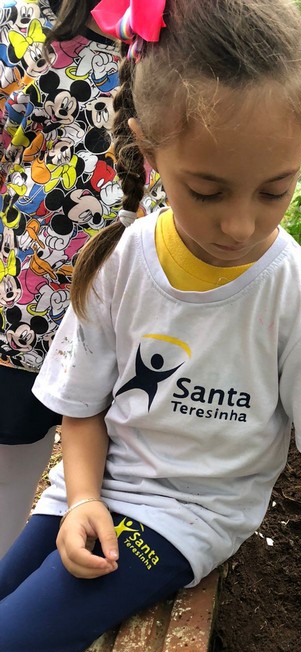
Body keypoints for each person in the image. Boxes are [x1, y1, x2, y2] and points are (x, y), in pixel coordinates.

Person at [0, 0, 301, 652]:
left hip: (179, 517)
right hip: (93, 490)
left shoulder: (296, 300)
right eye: (208, 191)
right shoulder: (120, 263)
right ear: (147, 145)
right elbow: (81, 408)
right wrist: (81, 499)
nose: (241, 225)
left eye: (275, 190)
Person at [0, 0, 162, 558]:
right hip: (23, 305)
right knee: (12, 452)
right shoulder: (22, 24)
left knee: (100, 462)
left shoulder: (174, 38)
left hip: (126, 307)